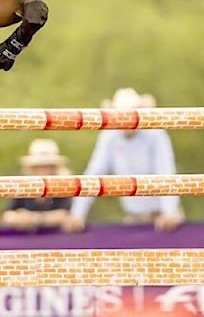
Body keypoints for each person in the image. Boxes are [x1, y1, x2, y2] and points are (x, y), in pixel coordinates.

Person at [64, 88, 184, 232]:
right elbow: (94, 173)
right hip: (133, 218)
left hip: (162, 218)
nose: (127, 120)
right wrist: (77, 214)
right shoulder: (109, 136)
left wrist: (169, 213)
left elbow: (165, 171)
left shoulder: (155, 133)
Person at [2, 138, 74, 231]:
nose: (44, 170)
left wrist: (34, 219)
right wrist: (18, 218)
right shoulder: (23, 186)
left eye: (48, 166)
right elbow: (7, 214)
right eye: (39, 166)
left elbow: (67, 215)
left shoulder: (65, 186)